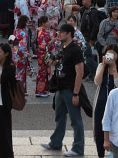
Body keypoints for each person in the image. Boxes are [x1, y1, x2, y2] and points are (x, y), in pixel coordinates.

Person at [42, 23, 85, 157]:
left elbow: (80, 73)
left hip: (70, 89)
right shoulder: (64, 48)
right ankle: (55, 142)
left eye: (61, 32)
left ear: (69, 33)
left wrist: (76, 93)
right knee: (59, 117)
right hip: (60, 88)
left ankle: (78, 148)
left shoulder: (75, 50)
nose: (59, 34)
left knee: (75, 119)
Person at [93, 45, 118, 158]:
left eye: (113, 54)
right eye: (108, 54)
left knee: (114, 129)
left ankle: (113, 153)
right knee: (99, 130)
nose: (110, 57)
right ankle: (100, 154)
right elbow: (97, 81)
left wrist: (114, 67)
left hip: (116, 104)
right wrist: (103, 65)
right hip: (101, 102)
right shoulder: (101, 65)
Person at [13, 15, 32, 95]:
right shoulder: (23, 33)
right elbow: (22, 46)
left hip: (15, 53)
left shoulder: (16, 30)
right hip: (21, 54)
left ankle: (19, 89)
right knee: (21, 73)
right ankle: (20, 90)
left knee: (17, 73)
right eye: (27, 22)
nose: (28, 23)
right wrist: (25, 54)